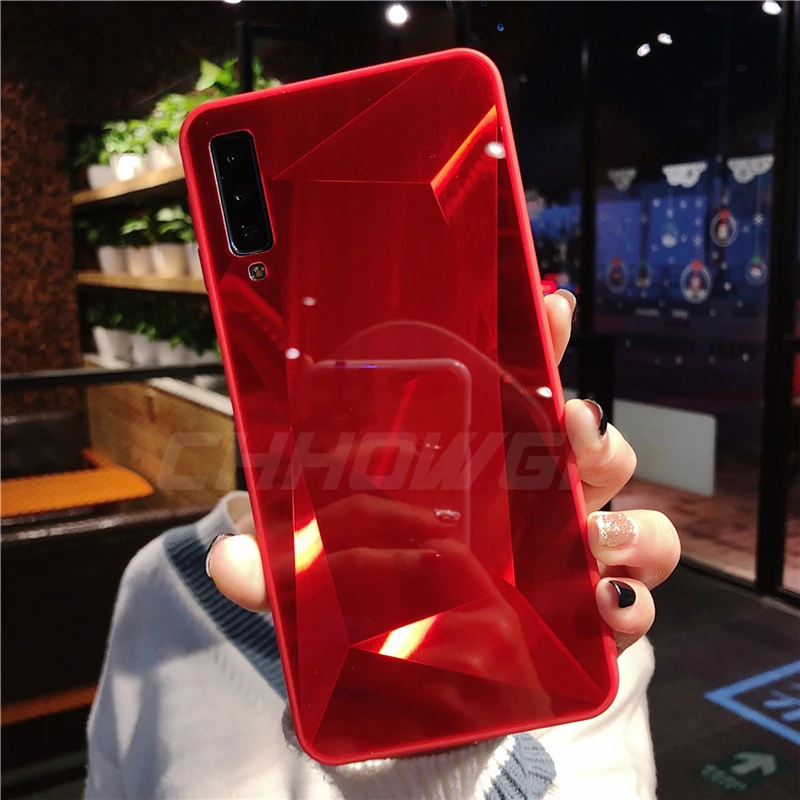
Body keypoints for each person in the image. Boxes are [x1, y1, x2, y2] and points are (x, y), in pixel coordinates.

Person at [85, 290, 681, 799]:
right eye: (356, 408)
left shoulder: (569, 632)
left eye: (439, 425)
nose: (399, 458)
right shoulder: (160, 582)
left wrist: (454, 747)